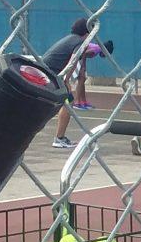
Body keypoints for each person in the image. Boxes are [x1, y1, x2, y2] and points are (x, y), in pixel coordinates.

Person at [42, 18, 103, 149]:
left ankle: (59, 137)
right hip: (51, 73)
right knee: (68, 102)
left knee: (65, 102)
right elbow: (73, 61)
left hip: (48, 71)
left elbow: (80, 55)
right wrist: (65, 80)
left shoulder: (72, 39)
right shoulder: (81, 41)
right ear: (87, 33)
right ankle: (59, 138)